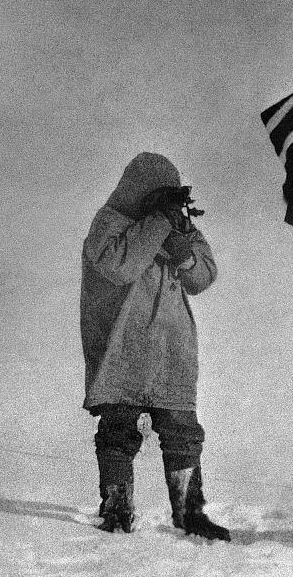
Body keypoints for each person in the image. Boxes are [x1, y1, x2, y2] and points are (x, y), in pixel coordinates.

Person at [79, 151, 229, 541]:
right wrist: (158, 225)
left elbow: (205, 276)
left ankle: (190, 514)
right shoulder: (109, 224)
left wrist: (187, 258)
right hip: (123, 347)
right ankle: (116, 509)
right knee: (118, 429)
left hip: (170, 349)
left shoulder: (181, 228)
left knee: (183, 432)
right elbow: (119, 266)